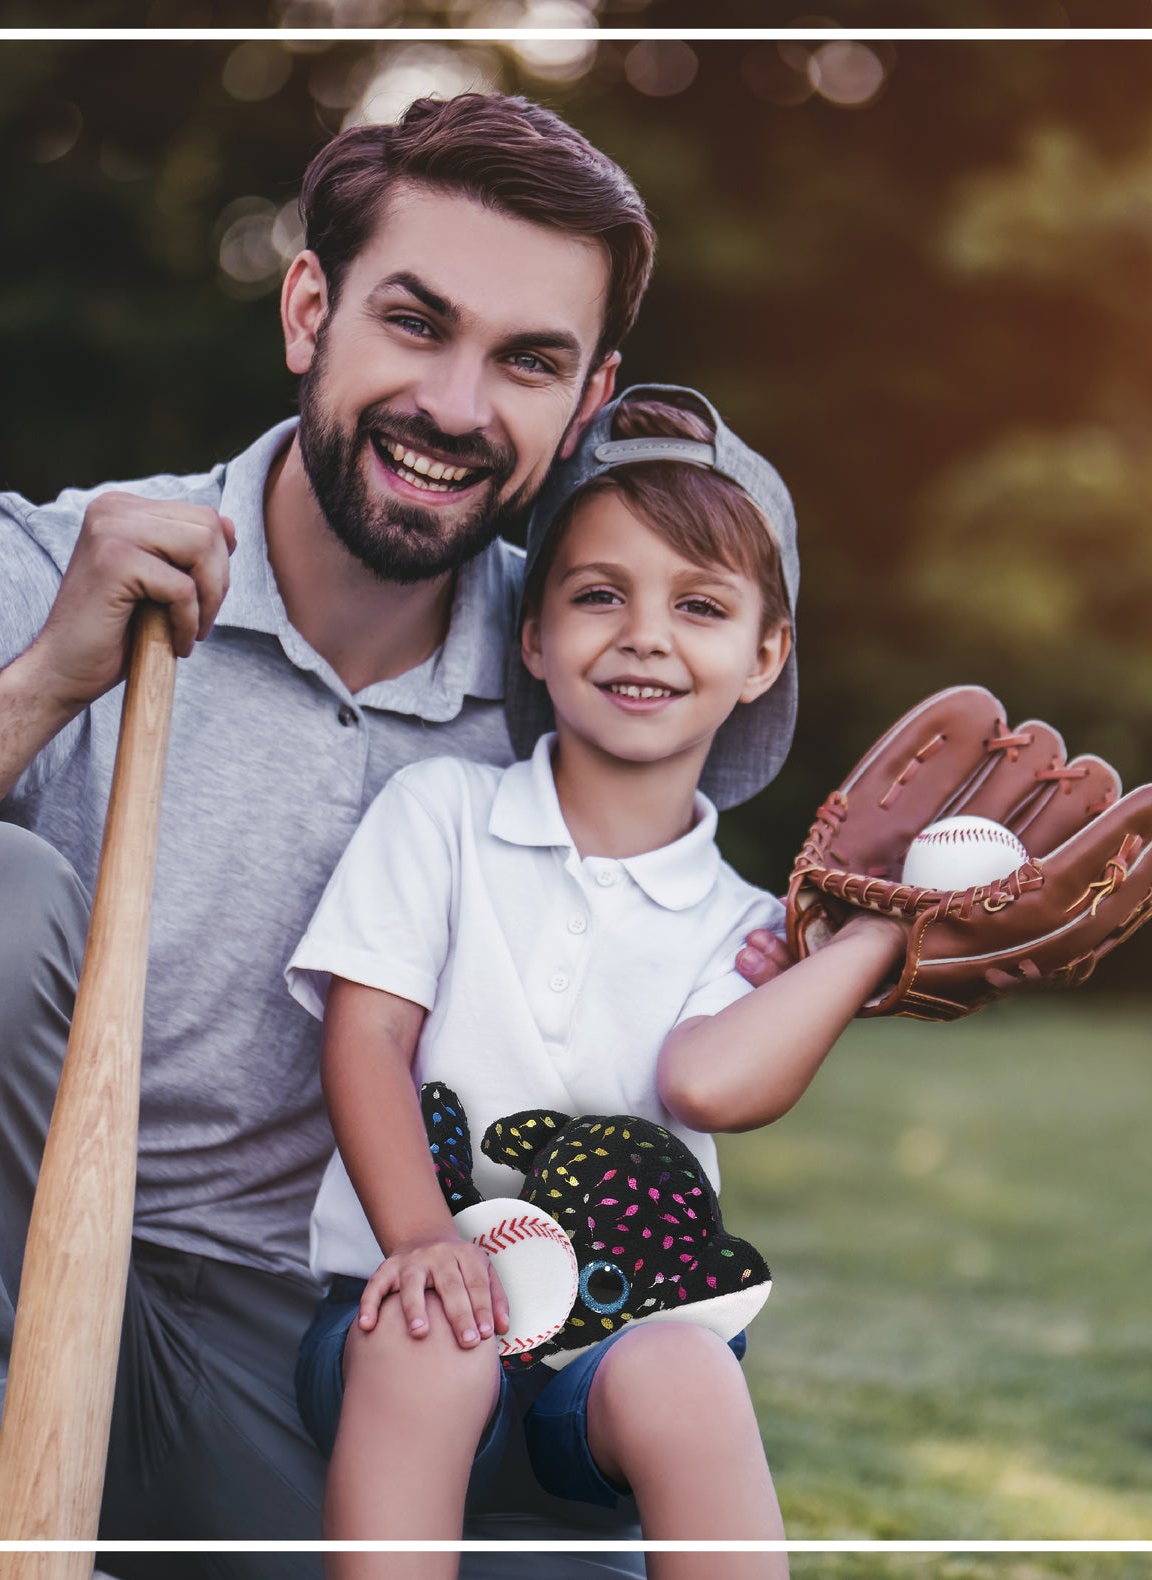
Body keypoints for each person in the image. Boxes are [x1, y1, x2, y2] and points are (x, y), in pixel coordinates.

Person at [0, 93, 787, 1576]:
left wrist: (896, 941)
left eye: (527, 361)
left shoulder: (581, 664)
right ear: (307, 308)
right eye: (415, 323)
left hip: (320, 1347)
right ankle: (4, 1553)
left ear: (588, 397)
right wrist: (41, 683)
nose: (459, 407)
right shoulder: (39, 566)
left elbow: (706, 925)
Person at [285, 387, 905, 1579]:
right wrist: (422, 1239)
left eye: (702, 605)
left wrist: (867, 940)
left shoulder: (744, 928)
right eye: (598, 593)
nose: (645, 634)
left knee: (685, 1367)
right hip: (395, 1332)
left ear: (763, 652)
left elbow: (709, 1082)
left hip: (602, 1375)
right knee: (430, 1333)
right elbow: (363, 1041)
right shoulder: (442, 816)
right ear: (532, 631)